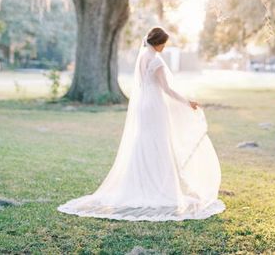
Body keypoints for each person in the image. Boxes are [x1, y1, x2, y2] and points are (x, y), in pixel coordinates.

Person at [57, 26, 226, 221]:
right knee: (159, 144)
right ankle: (161, 188)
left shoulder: (143, 56)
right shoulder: (156, 60)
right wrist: (187, 102)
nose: (164, 46)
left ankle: (139, 184)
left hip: (143, 106)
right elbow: (167, 89)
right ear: (159, 43)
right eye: (164, 43)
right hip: (155, 106)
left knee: (144, 143)